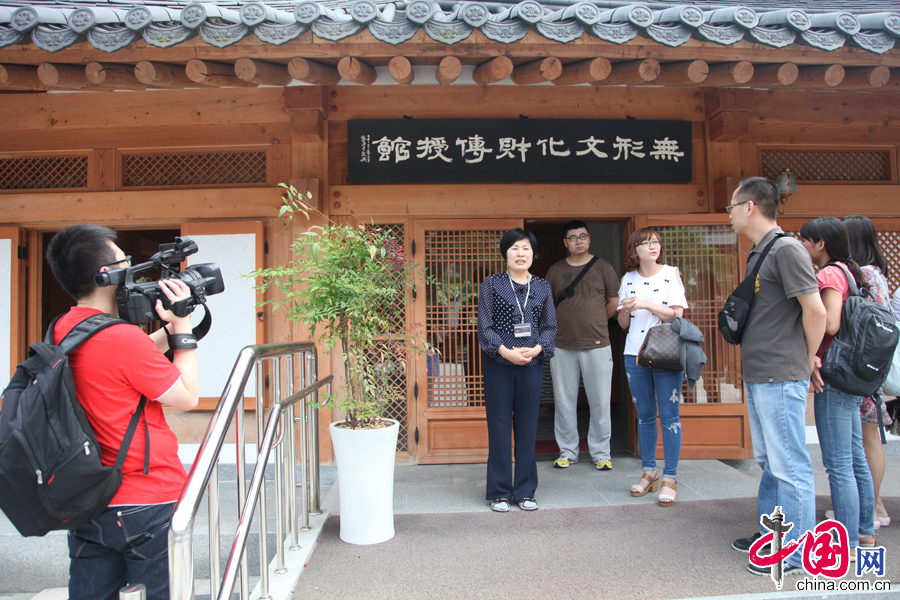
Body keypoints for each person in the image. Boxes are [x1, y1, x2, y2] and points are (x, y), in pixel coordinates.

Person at [45, 225, 199, 600]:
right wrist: (182, 328)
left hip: (90, 498)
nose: (130, 267)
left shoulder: (62, 328)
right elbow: (187, 397)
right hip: (146, 498)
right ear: (106, 275)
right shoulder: (122, 338)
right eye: (124, 261)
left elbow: (124, 360)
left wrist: (170, 329)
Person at [726, 177, 826, 577]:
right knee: (770, 461)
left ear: (749, 207)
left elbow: (815, 310)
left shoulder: (786, 250)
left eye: (732, 207)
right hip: (762, 373)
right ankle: (772, 536)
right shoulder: (760, 252)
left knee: (790, 466)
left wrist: (808, 358)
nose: (729, 215)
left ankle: (798, 553)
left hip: (781, 375)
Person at [799, 217, 877, 558]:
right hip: (854, 376)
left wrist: (810, 354)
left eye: (805, 240)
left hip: (835, 375)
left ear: (821, 244)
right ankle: (864, 532)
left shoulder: (830, 274)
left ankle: (846, 542)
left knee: (839, 464)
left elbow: (829, 322)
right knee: (855, 457)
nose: (802, 246)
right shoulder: (852, 271)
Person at [477, 228, 557, 512]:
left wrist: (537, 349)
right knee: (499, 426)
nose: (520, 253)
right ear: (505, 254)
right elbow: (484, 326)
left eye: (526, 248)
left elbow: (549, 327)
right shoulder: (492, 283)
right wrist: (505, 352)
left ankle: (525, 491)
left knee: (527, 427)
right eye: (514, 248)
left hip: (531, 364)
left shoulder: (542, 286)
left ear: (533, 254)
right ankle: (499, 491)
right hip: (499, 363)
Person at [616, 228, 688, 507]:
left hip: (666, 352)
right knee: (644, 416)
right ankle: (649, 471)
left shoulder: (670, 273)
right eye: (645, 243)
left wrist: (645, 304)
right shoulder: (628, 279)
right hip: (634, 352)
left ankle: (670, 476)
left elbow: (677, 314)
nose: (652, 246)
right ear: (634, 251)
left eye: (655, 242)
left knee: (669, 416)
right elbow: (624, 324)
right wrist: (625, 310)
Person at [545, 220, 620, 471]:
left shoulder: (603, 267)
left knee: (600, 402)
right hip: (562, 344)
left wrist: (596, 322)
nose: (579, 241)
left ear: (589, 239)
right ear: (565, 242)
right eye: (573, 237)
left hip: (597, 344)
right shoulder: (555, 270)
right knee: (564, 401)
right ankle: (567, 451)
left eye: (583, 236)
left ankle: (601, 453)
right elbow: (547, 306)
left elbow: (613, 303)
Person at [843, 215, 892, 530]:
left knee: (866, 437)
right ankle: (875, 505)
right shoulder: (879, 274)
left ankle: (871, 508)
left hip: (862, 365)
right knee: (868, 435)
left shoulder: (865, 275)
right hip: (873, 363)